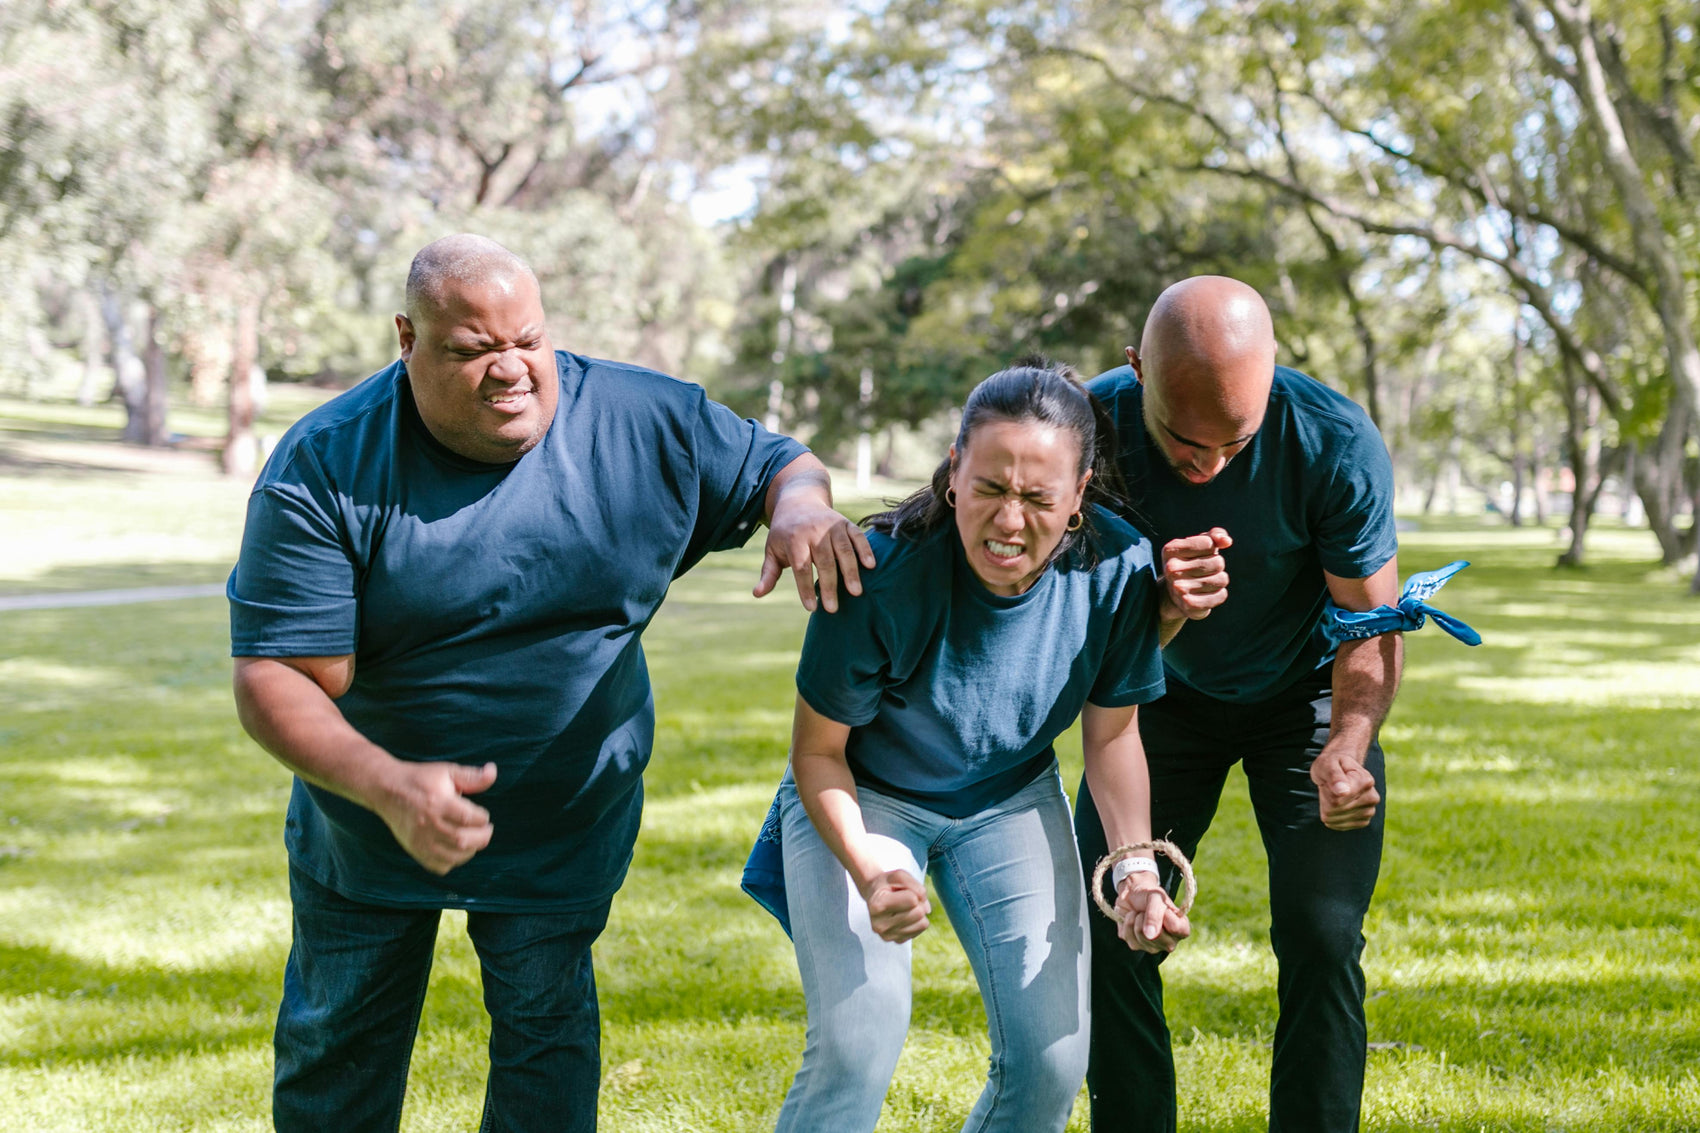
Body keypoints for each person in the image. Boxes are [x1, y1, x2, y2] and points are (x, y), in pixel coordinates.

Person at [227, 234, 874, 1133]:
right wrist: (388, 784)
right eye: (472, 349)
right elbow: (275, 673)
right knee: (338, 1047)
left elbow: (778, 463)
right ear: (406, 339)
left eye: (526, 340)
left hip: (563, 822)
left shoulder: (639, 419)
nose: (510, 370)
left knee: (544, 1039)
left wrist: (801, 504)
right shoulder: (328, 460)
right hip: (367, 822)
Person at [757, 360, 1191, 1133]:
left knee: (1050, 1063)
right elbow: (818, 754)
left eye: (1038, 497)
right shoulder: (876, 573)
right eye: (990, 487)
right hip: (867, 795)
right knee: (859, 1042)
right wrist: (868, 869)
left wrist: (1135, 869)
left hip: (1008, 797)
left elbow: (1113, 733)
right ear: (955, 470)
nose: (1010, 521)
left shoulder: (1120, 567)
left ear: (1080, 493)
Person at [1074, 275, 1402, 1133]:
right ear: (1136, 368)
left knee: (1323, 936)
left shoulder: (1331, 439)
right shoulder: (1084, 430)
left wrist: (1351, 743)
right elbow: (1054, 608)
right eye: (1185, 444)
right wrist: (1160, 608)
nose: (1208, 468)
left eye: (1235, 444)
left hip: (1305, 698)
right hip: (1153, 701)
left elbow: (1370, 622)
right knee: (1110, 923)